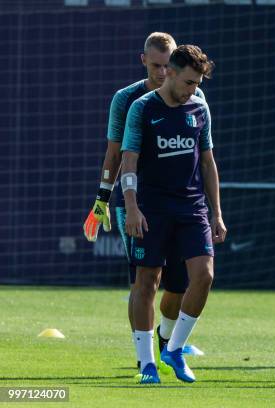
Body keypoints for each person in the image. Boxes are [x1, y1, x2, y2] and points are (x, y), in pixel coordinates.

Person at [82, 33, 203, 367]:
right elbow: (115, 154)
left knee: (180, 283)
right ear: (143, 61)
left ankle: (167, 340)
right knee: (145, 279)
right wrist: (101, 200)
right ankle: (144, 357)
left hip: (179, 204)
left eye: (168, 66)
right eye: (156, 65)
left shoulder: (194, 95)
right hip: (134, 201)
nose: (163, 73)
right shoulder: (128, 100)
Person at [121, 45, 226, 384]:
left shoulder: (199, 107)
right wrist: (132, 206)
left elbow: (208, 162)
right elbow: (130, 160)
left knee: (204, 275)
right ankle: (146, 364)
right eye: (188, 83)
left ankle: (174, 349)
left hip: (191, 206)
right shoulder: (142, 109)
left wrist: (217, 213)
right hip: (151, 208)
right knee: (147, 283)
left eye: (197, 84)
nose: (192, 90)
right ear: (170, 73)